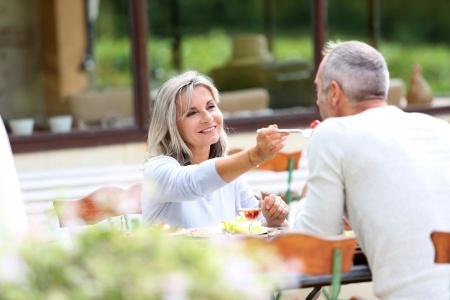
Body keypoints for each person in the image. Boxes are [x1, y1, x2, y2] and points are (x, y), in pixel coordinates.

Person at [294, 40, 450, 299]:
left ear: (334, 93)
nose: (318, 101)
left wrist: (296, 206)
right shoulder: (440, 128)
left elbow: (317, 241)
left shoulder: (332, 133)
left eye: (318, 90)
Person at [141, 70, 290, 229]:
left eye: (210, 106)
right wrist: (255, 155)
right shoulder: (156, 170)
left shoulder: (231, 176)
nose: (208, 118)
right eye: (192, 113)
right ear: (171, 126)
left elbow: (259, 227)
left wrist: (274, 220)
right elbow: (193, 182)